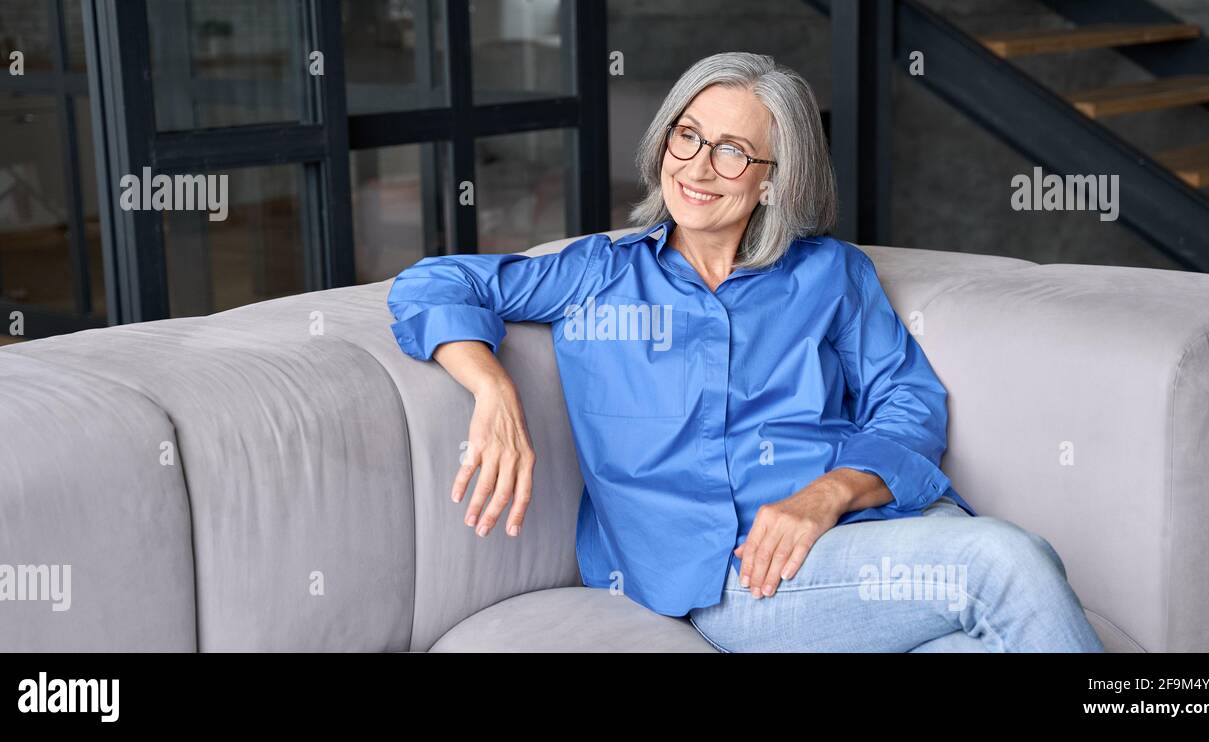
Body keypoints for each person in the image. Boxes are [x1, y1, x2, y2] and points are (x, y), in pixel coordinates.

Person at [386, 51, 1104, 652]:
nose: (698, 168)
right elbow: (431, 284)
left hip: (878, 529)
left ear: (772, 179)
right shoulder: (597, 274)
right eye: (687, 137)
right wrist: (492, 391)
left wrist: (828, 493)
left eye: (732, 151)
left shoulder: (831, 273)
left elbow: (908, 403)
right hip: (741, 573)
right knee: (1005, 562)